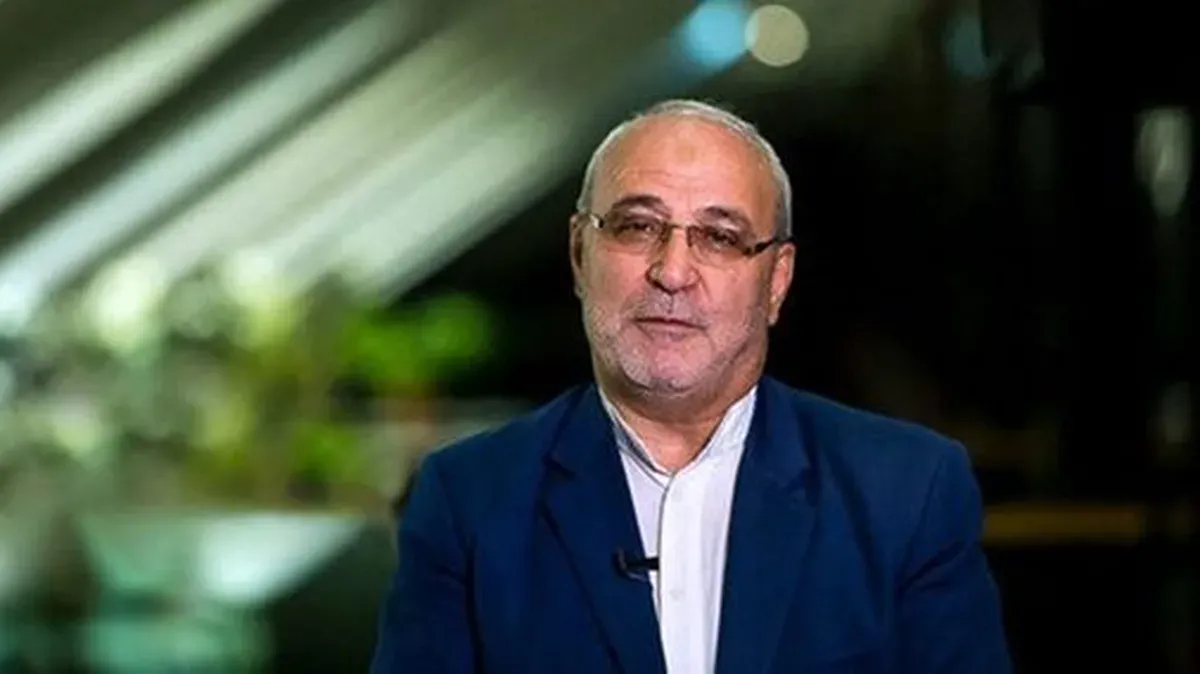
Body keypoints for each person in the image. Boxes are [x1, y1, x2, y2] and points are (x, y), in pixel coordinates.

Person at [370, 99, 1011, 674]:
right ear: (579, 255)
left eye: (720, 237)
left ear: (777, 281)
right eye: (637, 226)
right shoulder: (466, 501)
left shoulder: (908, 491)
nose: (673, 272)